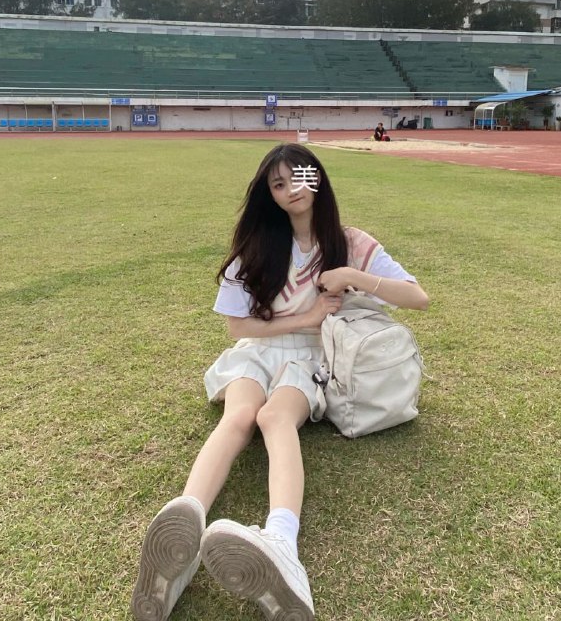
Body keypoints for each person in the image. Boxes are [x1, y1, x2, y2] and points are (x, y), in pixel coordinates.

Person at [131, 143, 428, 621]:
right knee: (239, 415)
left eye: (300, 177)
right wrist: (306, 316)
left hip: (310, 359)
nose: (292, 189)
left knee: (275, 417)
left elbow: (417, 297)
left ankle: (282, 545)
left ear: (318, 179)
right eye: (278, 183)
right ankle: (183, 527)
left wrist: (352, 275)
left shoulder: (351, 242)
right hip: (259, 349)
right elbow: (238, 328)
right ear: (268, 195)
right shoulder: (260, 245)